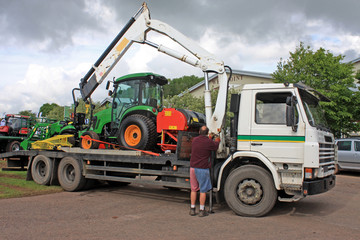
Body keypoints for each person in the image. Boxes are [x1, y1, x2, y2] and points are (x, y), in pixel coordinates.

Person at [189, 125, 220, 217]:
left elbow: (202, 142)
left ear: (199, 132)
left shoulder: (194, 140)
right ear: (207, 133)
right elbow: (215, 146)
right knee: (203, 190)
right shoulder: (209, 142)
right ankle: (202, 210)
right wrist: (217, 139)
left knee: (193, 189)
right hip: (202, 168)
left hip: (192, 168)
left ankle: (192, 209)